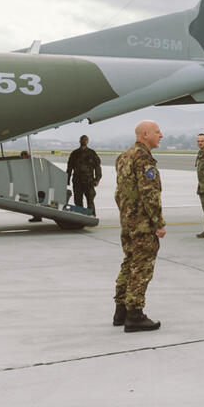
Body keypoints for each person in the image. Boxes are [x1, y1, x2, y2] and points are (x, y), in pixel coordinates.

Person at [113, 120, 166, 333]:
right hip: (142, 224)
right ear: (145, 134)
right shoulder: (143, 159)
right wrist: (158, 223)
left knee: (129, 262)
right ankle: (135, 314)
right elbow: (150, 194)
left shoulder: (124, 157)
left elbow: (119, 193)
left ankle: (121, 310)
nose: (161, 135)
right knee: (141, 267)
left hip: (127, 222)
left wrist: (126, 216)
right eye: (157, 131)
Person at [66, 135, 102, 213]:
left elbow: (97, 167)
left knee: (90, 200)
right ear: (80, 141)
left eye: (85, 139)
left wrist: (97, 179)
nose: (84, 141)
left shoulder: (92, 153)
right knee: (78, 201)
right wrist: (67, 180)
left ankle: (91, 216)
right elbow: (69, 168)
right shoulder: (74, 153)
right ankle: (80, 218)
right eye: (82, 139)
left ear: (88, 141)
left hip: (89, 181)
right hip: (77, 181)